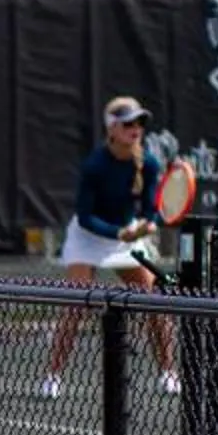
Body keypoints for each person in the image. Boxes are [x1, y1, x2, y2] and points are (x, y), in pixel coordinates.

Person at [42, 96, 179, 397]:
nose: (136, 129)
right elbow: (85, 216)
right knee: (77, 303)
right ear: (112, 129)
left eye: (139, 123)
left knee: (154, 302)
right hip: (88, 237)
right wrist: (118, 232)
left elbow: (150, 208)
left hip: (125, 236)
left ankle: (168, 372)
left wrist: (149, 223)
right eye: (128, 123)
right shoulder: (95, 166)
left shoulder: (149, 163)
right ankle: (53, 376)